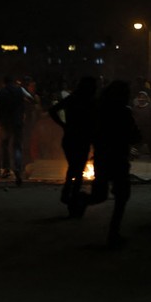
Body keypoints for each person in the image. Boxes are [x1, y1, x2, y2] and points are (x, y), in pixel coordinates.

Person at [88, 80, 141, 248]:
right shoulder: (124, 113)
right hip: (118, 159)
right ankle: (113, 233)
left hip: (103, 158)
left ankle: (75, 200)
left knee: (100, 195)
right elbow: (135, 136)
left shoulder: (100, 111)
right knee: (121, 196)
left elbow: (93, 133)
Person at [48, 76, 97, 215]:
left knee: (74, 167)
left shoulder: (72, 99)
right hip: (82, 138)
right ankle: (72, 196)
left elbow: (53, 110)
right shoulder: (90, 101)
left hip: (70, 137)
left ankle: (68, 194)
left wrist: (63, 125)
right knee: (78, 168)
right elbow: (94, 123)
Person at [0, 74, 33, 185]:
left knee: (4, 146)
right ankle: (17, 170)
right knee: (17, 146)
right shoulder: (20, 90)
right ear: (12, 82)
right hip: (17, 122)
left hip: (5, 123)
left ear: (4, 83)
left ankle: (6, 169)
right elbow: (31, 98)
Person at [131, 91, 151, 162]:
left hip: (149, 131)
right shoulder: (135, 108)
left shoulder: (150, 107)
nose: (141, 99)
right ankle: (130, 163)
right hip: (139, 131)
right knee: (134, 148)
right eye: (140, 97)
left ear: (146, 98)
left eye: (143, 97)